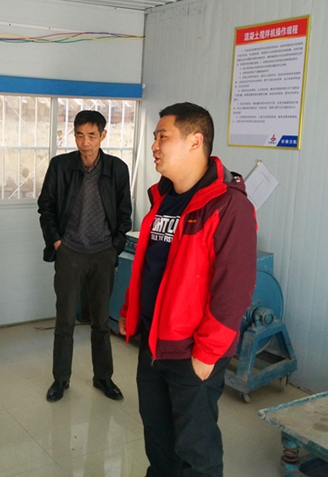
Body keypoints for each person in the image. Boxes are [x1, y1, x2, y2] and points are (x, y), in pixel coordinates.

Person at [119, 102, 256, 476]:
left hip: (191, 351)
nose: (154, 146)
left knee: (196, 451)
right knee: (158, 440)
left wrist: (208, 353)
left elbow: (234, 289)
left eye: (162, 136)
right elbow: (151, 267)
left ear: (195, 141)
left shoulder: (228, 206)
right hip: (153, 343)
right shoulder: (163, 198)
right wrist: (131, 311)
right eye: (155, 137)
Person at [38, 110, 132, 402]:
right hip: (70, 253)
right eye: (79, 135)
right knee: (65, 320)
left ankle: (103, 378)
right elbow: (46, 207)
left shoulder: (117, 169)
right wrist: (56, 242)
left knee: (101, 322)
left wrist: (114, 246)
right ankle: (60, 379)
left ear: (103, 135)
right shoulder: (61, 166)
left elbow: (125, 213)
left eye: (92, 135)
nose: (85, 142)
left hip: (103, 253)